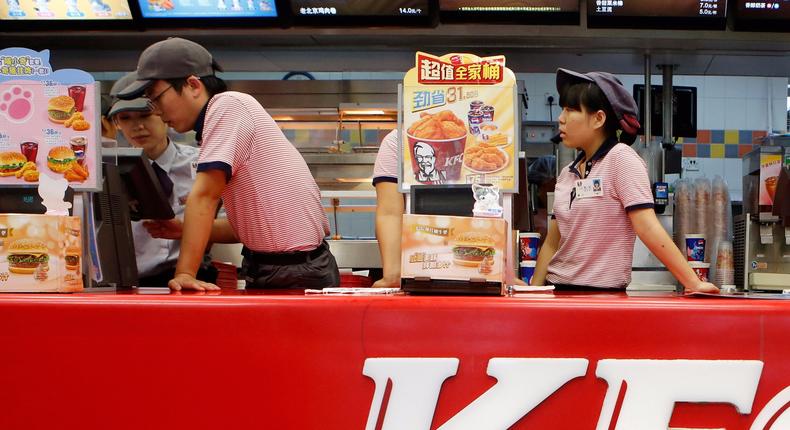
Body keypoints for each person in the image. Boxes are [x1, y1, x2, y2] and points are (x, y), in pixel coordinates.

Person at [117, 37, 339, 291]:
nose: (156, 111)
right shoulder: (219, 121)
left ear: (192, 85)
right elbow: (242, 229)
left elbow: (204, 197)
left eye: (156, 98)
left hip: (296, 270)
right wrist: (182, 229)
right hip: (277, 266)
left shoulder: (228, 106)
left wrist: (185, 273)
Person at [530, 68, 718, 293]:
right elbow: (552, 242)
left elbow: (647, 227)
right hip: (557, 293)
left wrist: (693, 283)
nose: (561, 119)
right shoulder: (566, 173)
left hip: (601, 297)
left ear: (599, 118)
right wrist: (533, 292)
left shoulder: (621, 159)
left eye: (571, 110)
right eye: (562, 109)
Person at [108, 72, 217, 287]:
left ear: (163, 114)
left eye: (145, 115)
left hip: (192, 280)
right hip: (130, 283)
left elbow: (228, 221)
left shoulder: (203, 163)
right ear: (116, 123)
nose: (137, 126)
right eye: (125, 118)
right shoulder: (110, 170)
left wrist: (185, 227)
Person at [371, 129, 403, 288]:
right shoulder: (398, 139)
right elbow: (390, 212)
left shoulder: (487, 137)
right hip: (419, 262)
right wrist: (392, 275)